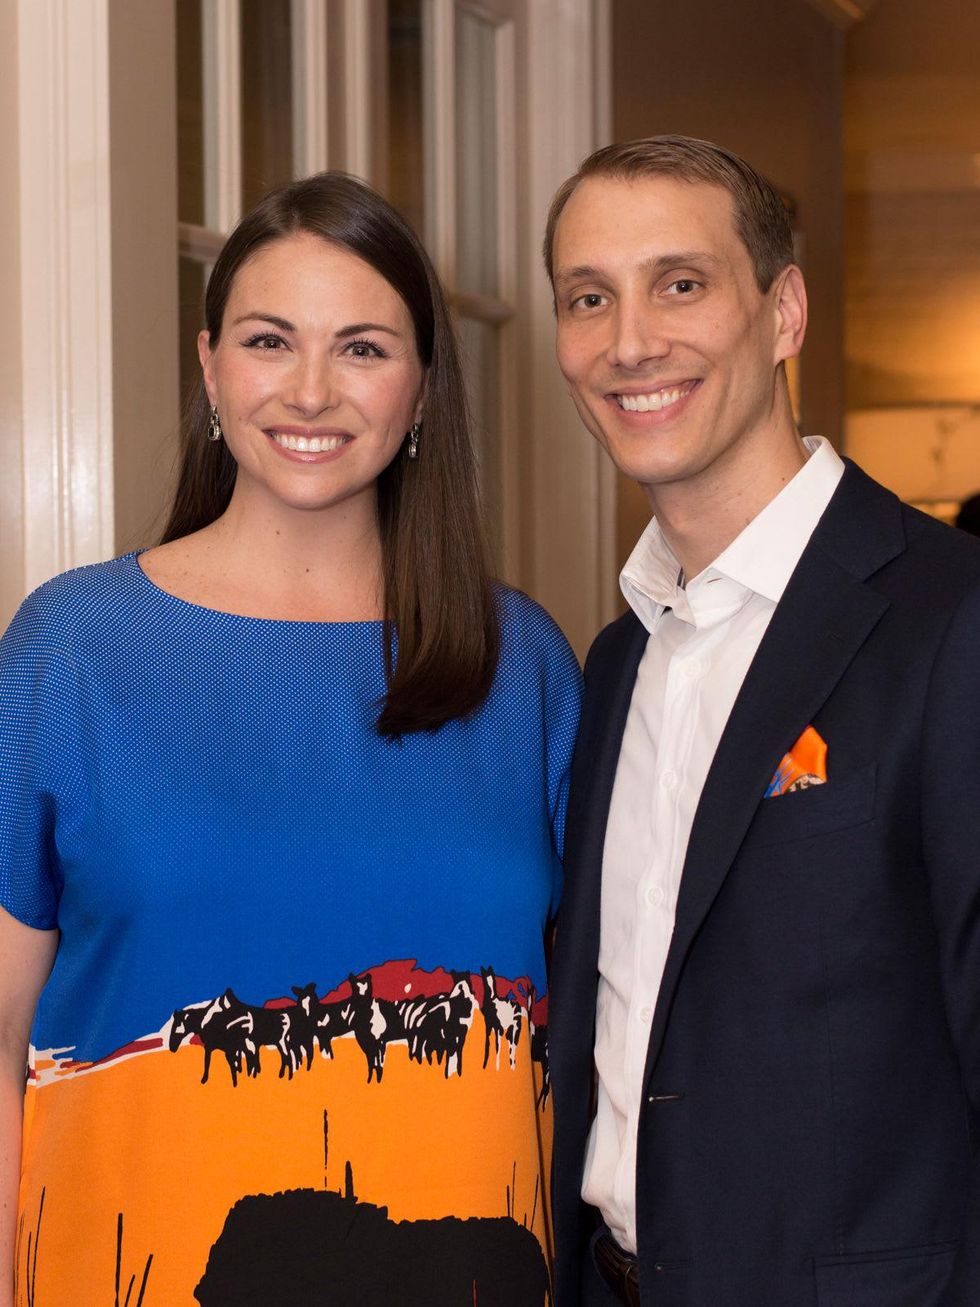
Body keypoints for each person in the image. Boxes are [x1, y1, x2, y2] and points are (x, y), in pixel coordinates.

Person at [0, 172, 581, 1305]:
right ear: (211, 364)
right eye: (272, 340)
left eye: (362, 347)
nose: (311, 389)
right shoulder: (72, 649)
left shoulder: (524, 662)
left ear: (420, 389)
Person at [543, 135, 980, 1306]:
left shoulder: (952, 621)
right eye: (589, 297)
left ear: (781, 311)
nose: (629, 339)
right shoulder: (615, 658)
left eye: (678, 283)